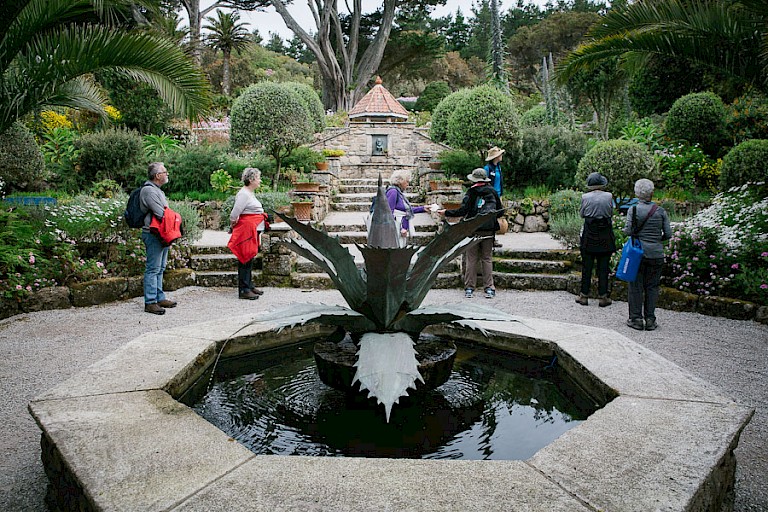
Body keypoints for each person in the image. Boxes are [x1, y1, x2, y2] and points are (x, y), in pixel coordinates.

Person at [439, 168, 503, 299]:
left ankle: (469, 288)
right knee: (486, 258)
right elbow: (500, 211)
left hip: (473, 229)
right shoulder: (492, 191)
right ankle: (489, 288)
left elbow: (463, 211)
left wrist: (446, 212)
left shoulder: (471, 192)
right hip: (489, 229)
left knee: (471, 258)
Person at [624, 178, 672, 331]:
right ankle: (650, 319)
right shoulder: (660, 211)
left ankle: (636, 319)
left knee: (636, 286)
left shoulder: (634, 210)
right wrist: (657, 240)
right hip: (656, 253)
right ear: (652, 193)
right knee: (652, 286)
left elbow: (627, 231)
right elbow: (668, 234)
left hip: (638, 254)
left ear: (637, 193)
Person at [139, 162, 176, 315]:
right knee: (153, 268)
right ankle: (150, 302)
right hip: (153, 233)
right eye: (164, 172)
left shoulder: (157, 190)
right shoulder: (149, 191)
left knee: (160, 268)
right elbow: (161, 212)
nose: (167, 174)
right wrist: (175, 218)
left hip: (162, 232)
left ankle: (159, 297)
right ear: (157, 176)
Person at [228, 168, 269, 300]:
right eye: (258, 178)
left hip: (252, 228)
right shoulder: (244, 194)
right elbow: (235, 213)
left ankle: (249, 285)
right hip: (246, 230)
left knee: (249, 257)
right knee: (245, 257)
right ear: (251, 180)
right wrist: (234, 225)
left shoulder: (249, 193)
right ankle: (244, 289)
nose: (260, 180)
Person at [576, 172, 616, 307]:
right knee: (603, 267)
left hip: (590, 232)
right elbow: (611, 213)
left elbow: (582, 214)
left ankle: (584, 295)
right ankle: (603, 296)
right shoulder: (609, 196)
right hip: (604, 232)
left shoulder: (585, 197)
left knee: (587, 266)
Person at [386, 169, 438, 248]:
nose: (408, 184)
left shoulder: (398, 192)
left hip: (401, 228)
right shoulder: (393, 192)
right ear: (400, 181)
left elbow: (405, 210)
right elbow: (389, 213)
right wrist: (399, 228)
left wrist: (423, 208)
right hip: (396, 230)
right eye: (407, 181)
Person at [484, 147, 505, 247]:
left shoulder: (498, 168)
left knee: (496, 217)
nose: (501, 156)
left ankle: (493, 238)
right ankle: (490, 239)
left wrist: (501, 195)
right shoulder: (487, 168)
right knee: (491, 218)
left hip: (498, 195)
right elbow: (484, 182)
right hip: (490, 196)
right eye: (500, 154)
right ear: (496, 157)